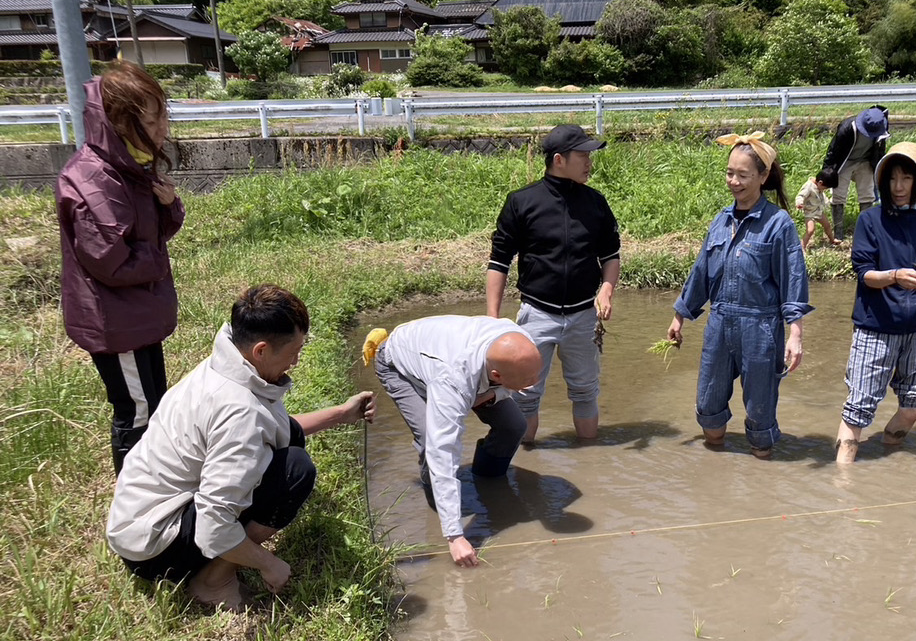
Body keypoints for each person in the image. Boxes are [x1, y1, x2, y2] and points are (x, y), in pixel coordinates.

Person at [106, 285, 376, 609]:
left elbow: (274, 427)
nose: (297, 361)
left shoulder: (229, 362)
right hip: (155, 548)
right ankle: (213, 582)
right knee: (294, 471)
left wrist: (341, 415)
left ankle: (217, 568)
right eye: (294, 352)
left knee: (288, 440)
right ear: (261, 350)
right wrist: (268, 563)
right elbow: (213, 526)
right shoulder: (240, 413)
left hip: (138, 521)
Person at [56, 61, 184, 474]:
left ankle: (156, 489)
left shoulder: (130, 167)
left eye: (163, 112)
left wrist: (169, 205)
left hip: (137, 314)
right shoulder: (93, 181)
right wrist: (157, 261)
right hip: (116, 320)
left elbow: (153, 234)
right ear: (117, 122)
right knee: (137, 412)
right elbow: (113, 263)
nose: (163, 126)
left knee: (154, 403)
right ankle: (135, 513)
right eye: (152, 118)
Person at [667, 132, 814, 460]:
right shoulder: (720, 221)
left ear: (763, 177)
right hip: (719, 324)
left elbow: (793, 280)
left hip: (760, 328)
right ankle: (715, 472)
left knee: (760, 419)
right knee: (708, 408)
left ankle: (761, 477)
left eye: (743, 175)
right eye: (730, 173)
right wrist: (680, 316)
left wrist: (795, 334)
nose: (734, 181)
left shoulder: (779, 224)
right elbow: (701, 272)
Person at [362, 316, 543, 567]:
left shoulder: (522, 345)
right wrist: (455, 535)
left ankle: (489, 479)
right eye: (528, 380)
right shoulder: (453, 379)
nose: (535, 383)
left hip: (465, 370)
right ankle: (439, 510)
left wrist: (492, 394)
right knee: (429, 442)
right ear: (496, 374)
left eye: (537, 374)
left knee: (514, 426)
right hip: (400, 366)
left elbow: (519, 384)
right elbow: (442, 450)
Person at [486, 124, 621, 444]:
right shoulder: (522, 202)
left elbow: (611, 255)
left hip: (583, 317)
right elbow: (498, 261)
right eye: (582, 155)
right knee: (525, 394)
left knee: (586, 392)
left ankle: (590, 461)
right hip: (537, 314)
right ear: (559, 159)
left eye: (590, 155)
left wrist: (606, 288)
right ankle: (524, 464)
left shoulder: (595, 202)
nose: (589, 162)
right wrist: (491, 319)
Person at [833, 142, 916, 464]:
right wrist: (894, 276)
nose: (898, 187)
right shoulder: (870, 220)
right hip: (876, 327)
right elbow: (863, 273)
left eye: (907, 179)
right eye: (892, 179)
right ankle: (842, 484)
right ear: (882, 181)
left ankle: (890, 456)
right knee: (857, 410)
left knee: (914, 406)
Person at [821, 105, 890, 244]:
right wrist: (827, 173)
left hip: (865, 161)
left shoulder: (881, 128)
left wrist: (880, 169)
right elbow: (833, 151)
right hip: (845, 162)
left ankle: (866, 230)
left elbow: (880, 151)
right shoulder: (847, 128)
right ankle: (838, 233)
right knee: (839, 195)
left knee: (867, 194)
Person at [794, 165, 840, 251]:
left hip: (818, 211)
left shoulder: (819, 187)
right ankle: (802, 247)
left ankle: (832, 240)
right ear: (820, 183)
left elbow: (822, 195)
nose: (825, 190)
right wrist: (799, 203)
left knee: (827, 225)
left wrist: (826, 202)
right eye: (825, 188)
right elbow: (800, 195)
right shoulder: (808, 187)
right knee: (810, 230)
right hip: (810, 212)